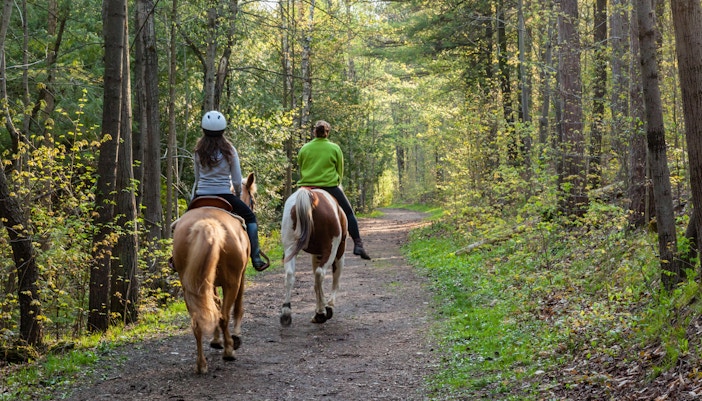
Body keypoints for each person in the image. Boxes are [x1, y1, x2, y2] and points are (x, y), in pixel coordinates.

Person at [190, 110, 269, 271]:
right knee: (251, 218)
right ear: (223, 130)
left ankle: (176, 257)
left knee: (181, 224)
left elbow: (197, 179)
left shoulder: (198, 151)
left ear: (204, 130)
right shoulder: (230, 150)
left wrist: (193, 199)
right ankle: (255, 257)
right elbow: (236, 180)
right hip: (224, 195)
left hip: (201, 195)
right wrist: (238, 195)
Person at [296, 120, 371, 260]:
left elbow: (302, 168)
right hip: (329, 186)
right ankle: (358, 244)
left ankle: (287, 246)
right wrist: (336, 183)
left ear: (314, 132)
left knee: (290, 210)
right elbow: (339, 171)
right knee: (349, 213)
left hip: (306, 186)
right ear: (327, 133)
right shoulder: (334, 148)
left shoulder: (304, 148)